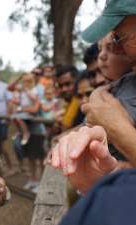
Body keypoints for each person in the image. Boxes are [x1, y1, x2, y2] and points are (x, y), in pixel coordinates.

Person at [49, 0, 136, 194]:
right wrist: (110, 171)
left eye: (120, 39)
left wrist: (116, 127)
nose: (117, 49)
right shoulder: (124, 85)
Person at [55, 65, 81, 130]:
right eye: (61, 86)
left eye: (68, 84)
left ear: (77, 81)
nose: (64, 89)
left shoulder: (83, 103)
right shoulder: (66, 102)